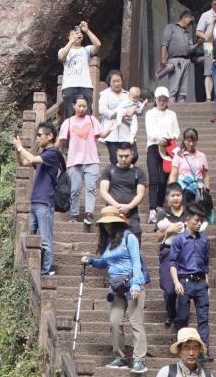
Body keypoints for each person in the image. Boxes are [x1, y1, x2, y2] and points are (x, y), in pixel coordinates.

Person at [83, 206, 149, 375]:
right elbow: (103, 263)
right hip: (115, 287)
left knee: (136, 322)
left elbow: (136, 263)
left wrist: (135, 285)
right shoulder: (108, 243)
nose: (107, 226)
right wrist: (91, 260)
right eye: (104, 224)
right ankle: (120, 357)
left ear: (117, 222)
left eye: (110, 223)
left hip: (132, 285)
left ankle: (139, 359)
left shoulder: (130, 238)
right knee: (114, 322)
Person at [12, 121, 61, 279]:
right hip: (35, 202)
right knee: (30, 236)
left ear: (50, 136)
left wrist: (21, 148)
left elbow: (32, 159)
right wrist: (17, 150)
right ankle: (30, 269)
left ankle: (45, 272)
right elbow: (24, 162)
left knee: (45, 239)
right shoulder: (43, 155)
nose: (37, 138)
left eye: (40, 135)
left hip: (45, 202)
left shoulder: (52, 154)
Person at [154, 183, 202, 329]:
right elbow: (157, 237)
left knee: (185, 287)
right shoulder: (163, 213)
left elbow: (197, 231)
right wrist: (171, 230)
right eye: (172, 195)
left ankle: (182, 318)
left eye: (178, 195)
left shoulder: (189, 212)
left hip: (186, 253)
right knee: (169, 288)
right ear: (167, 198)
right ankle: (171, 313)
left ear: (182, 196)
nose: (176, 198)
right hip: (168, 251)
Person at [168, 209, 213, 357]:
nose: (199, 223)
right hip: (185, 281)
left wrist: (208, 285)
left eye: (201, 221)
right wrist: (176, 282)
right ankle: (182, 346)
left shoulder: (205, 240)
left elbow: (206, 265)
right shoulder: (179, 240)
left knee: (203, 317)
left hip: (200, 282)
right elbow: (172, 263)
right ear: (188, 220)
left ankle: (204, 350)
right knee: (182, 317)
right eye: (196, 220)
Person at [57, 93, 103, 229]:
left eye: (84, 106)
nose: (82, 108)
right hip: (74, 161)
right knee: (75, 189)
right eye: (79, 106)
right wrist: (51, 150)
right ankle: (74, 214)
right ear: (74, 106)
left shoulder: (92, 119)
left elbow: (101, 135)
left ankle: (89, 213)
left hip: (91, 159)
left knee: (91, 188)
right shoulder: (68, 122)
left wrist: (116, 125)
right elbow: (61, 140)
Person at [145, 83, 181, 221]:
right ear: (155, 99)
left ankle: (159, 206)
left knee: (163, 179)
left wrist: (170, 138)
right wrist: (158, 138)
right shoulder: (150, 113)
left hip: (168, 148)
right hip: (154, 146)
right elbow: (150, 131)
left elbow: (177, 131)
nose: (161, 102)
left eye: (164, 99)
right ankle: (152, 209)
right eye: (159, 99)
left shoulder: (172, 114)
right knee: (153, 178)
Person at [98, 139, 146, 236]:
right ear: (116, 154)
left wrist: (129, 206)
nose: (123, 159)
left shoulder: (138, 172)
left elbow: (140, 194)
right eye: (121, 156)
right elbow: (103, 191)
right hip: (111, 210)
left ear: (132, 154)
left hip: (131, 212)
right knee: (108, 236)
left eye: (126, 156)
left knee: (136, 233)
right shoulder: (109, 169)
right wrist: (116, 205)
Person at [99, 73, 146, 166]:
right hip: (112, 131)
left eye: (118, 81)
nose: (116, 83)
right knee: (114, 159)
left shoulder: (129, 94)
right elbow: (102, 110)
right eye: (114, 81)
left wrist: (134, 110)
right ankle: (116, 178)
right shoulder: (105, 95)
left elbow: (139, 111)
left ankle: (128, 175)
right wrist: (119, 113)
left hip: (126, 130)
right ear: (110, 82)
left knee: (134, 156)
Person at [58, 19, 101, 117]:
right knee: (70, 114)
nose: (76, 36)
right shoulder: (63, 50)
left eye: (78, 34)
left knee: (87, 113)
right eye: (73, 34)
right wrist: (72, 41)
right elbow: (61, 57)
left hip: (85, 86)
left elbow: (98, 45)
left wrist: (87, 30)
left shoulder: (86, 50)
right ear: (68, 37)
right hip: (69, 86)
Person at [168, 128, 211, 217]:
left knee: (199, 215)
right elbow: (173, 174)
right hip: (184, 189)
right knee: (186, 215)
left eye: (193, 141)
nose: (191, 144)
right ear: (184, 140)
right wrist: (171, 190)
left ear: (196, 140)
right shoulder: (179, 155)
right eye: (188, 141)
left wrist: (206, 190)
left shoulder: (202, 156)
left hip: (199, 190)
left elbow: (205, 175)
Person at [159, 10, 198, 103]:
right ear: (185, 18)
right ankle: (171, 107)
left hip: (186, 61)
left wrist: (198, 44)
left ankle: (182, 106)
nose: (191, 24)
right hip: (174, 60)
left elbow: (190, 49)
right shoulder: (170, 27)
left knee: (183, 91)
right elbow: (164, 43)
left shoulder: (187, 33)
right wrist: (163, 58)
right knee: (173, 87)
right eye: (190, 21)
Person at [195, 0, 216, 104]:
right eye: (215, 4)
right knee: (208, 72)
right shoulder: (206, 15)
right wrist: (207, 37)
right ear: (211, 4)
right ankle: (208, 97)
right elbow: (198, 32)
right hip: (209, 46)